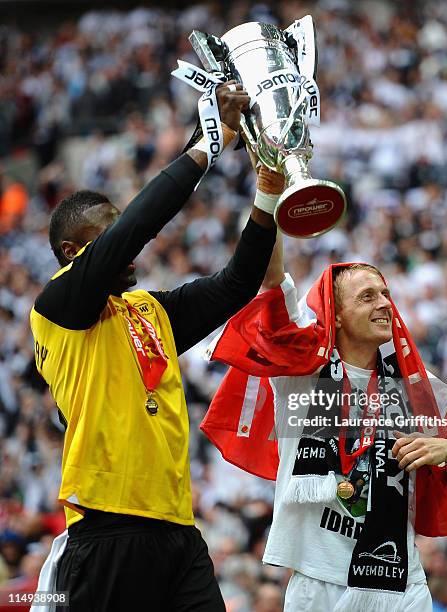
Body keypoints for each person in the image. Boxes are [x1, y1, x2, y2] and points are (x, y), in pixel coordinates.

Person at [29, 81, 283, 611]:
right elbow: (140, 225)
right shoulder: (59, 307)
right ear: (75, 252)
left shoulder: (151, 310)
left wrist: (266, 193)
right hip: (106, 527)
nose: (128, 243)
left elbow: (237, 284)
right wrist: (208, 143)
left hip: (176, 525)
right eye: (109, 233)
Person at [202, 242, 447, 612]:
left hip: (401, 585)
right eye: (367, 297)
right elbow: (273, 281)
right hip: (319, 585)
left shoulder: (419, 387)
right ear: (335, 315)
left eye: (385, 294)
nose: (385, 303)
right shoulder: (302, 375)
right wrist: (271, 195)